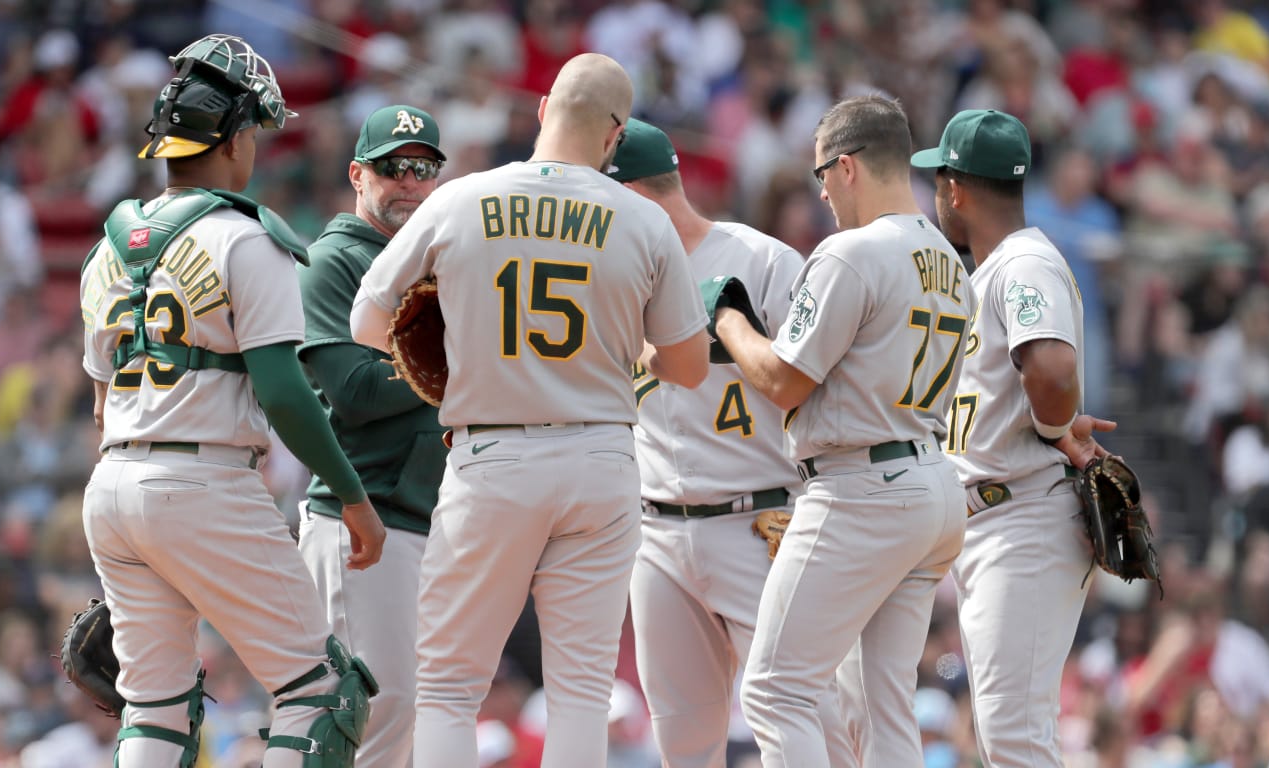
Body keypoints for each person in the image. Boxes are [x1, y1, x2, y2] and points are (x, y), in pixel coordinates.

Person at [349, 52, 711, 768]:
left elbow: (367, 318)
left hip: (493, 454)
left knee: (451, 685)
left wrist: (460, 343)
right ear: (615, 137)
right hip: (603, 456)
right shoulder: (642, 218)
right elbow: (690, 367)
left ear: (543, 107)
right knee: (580, 689)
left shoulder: (461, 197)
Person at [79, 34, 385, 767]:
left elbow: (98, 403)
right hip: (202, 479)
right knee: (321, 691)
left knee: (153, 704)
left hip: (113, 484)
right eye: (254, 129)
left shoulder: (108, 246)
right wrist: (350, 494)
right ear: (235, 137)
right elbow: (282, 392)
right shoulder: (245, 238)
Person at [714, 94, 976, 767]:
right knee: (885, 709)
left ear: (849, 165)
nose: (823, 191)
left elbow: (782, 380)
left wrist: (730, 322)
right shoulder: (951, 261)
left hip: (863, 486)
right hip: (928, 482)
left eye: (823, 174)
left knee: (775, 690)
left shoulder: (853, 252)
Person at [607, 117, 857, 768]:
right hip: (658, 532)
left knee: (813, 724)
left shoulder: (762, 260)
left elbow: (816, 386)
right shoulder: (611, 276)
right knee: (684, 744)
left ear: (632, 194)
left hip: (761, 518)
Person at [911, 108, 1111, 767]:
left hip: (1021, 516)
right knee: (1006, 740)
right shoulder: (995, 270)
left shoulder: (1024, 261)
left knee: (1017, 743)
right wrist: (1050, 422)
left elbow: (1052, 369)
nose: (935, 194)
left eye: (938, 180)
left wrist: (1054, 427)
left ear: (957, 189)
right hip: (993, 517)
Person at [295, 103, 448, 768]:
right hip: (362, 519)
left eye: (422, 168)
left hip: (426, 519)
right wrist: (457, 369)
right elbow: (353, 392)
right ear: (358, 174)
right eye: (393, 168)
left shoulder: (437, 262)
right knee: (371, 719)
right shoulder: (334, 260)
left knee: (406, 724)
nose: (409, 182)